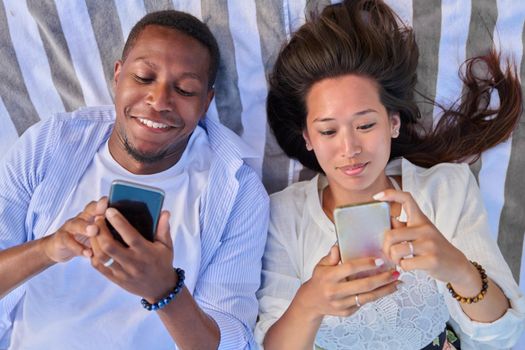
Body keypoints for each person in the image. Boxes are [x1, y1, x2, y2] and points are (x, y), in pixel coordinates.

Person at [255, 0, 525, 349]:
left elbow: (502, 336)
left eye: (365, 124)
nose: (349, 147)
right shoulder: (283, 215)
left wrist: (456, 266)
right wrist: (310, 302)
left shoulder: (446, 189)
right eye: (327, 131)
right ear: (307, 138)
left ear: (393, 123)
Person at [0, 10, 268, 349]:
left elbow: (233, 342)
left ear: (206, 103)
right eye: (143, 77)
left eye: (185, 89)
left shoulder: (237, 192)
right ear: (117, 76)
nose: (159, 101)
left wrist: (165, 291)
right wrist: (49, 248)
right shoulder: (50, 145)